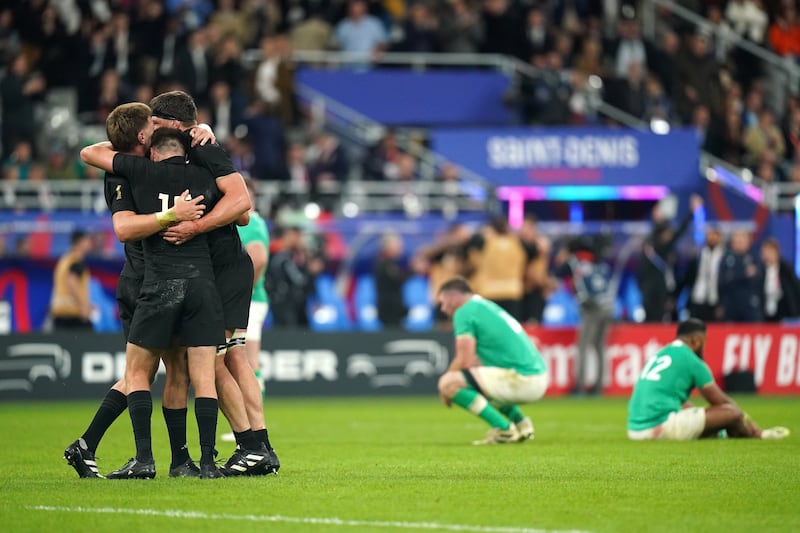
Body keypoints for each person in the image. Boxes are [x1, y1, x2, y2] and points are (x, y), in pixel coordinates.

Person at [64, 104, 207, 479]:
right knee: (140, 372)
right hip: (142, 280)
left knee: (172, 369)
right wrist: (171, 216)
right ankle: (139, 456)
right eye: (152, 124)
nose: (158, 128)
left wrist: (201, 128)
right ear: (142, 135)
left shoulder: (154, 163)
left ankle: (175, 460)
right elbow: (124, 229)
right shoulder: (121, 174)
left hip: (168, 278)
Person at [149, 90, 279, 474]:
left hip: (221, 268)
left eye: (155, 123)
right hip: (225, 267)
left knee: (212, 359)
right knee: (234, 357)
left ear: (173, 125)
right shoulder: (199, 147)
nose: (149, 131)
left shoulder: (202, 148)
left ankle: (249, 445)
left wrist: (195, 227)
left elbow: (242, 207)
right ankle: (262, 446)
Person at [627, 319, 789, 441]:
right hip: (660, 427)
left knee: (698, 412)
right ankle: (754, 435)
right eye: (704, 342)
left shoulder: (660, 354)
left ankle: (722, 433)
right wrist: (746, 419)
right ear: (696, 340)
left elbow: (678, 402)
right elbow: (721, 401)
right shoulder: (691, 360)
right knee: (731, 413)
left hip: (635, 430)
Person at [436, 277, 549, 445]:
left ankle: (504, 429)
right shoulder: (484, 305)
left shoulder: (464, 311)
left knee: (448, 383)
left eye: (443, 302)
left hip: (523, 378)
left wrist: (445, 389)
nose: (443, 308)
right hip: (538, 376)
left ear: (453, 298)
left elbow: (464, 360)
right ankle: (521, 423)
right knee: (476, 379)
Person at [554, 236, 614, 396]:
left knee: (583, 346)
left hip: (591, 307)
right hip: (607, 305)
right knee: (600, 346)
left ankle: (580, 384)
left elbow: (557, 273)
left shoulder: (574, 261)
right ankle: (599, 385)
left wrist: (561, 258)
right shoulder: (599, 261)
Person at [50, 230, 95, 331]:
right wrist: (84, 306)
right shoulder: (76, 262)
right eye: (87, 240)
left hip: (59, 314)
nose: (90, 243)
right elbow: (71, 281)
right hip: (74, 316)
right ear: (80, 242)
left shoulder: (64, 260)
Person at [678, 227, 725, 322]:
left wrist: (723, 304)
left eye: (715, 236)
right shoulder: (698, 256)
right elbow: (687, 278)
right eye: (710, 235)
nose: (712, 238)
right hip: (697, 299)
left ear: (720, 238)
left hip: (715, 301)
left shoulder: (725, 257)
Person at [719, 230, 762, 322]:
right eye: (737, 239)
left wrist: (735, 276)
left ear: (748, 241)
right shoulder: (727, 257)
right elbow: (724, 280)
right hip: (731, 304)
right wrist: (744, 274)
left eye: (742, 239)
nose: (739, 242)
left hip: (750, 305)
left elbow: (758, 278)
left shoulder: (754, 257)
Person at [759, 238, 800, 322]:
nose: (768, 255)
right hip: (764, 314)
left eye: (771, 251)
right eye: (765, 252)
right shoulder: (760, 271)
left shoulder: (786, 270)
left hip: (784, 311)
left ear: (777, 252)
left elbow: (796, 289)